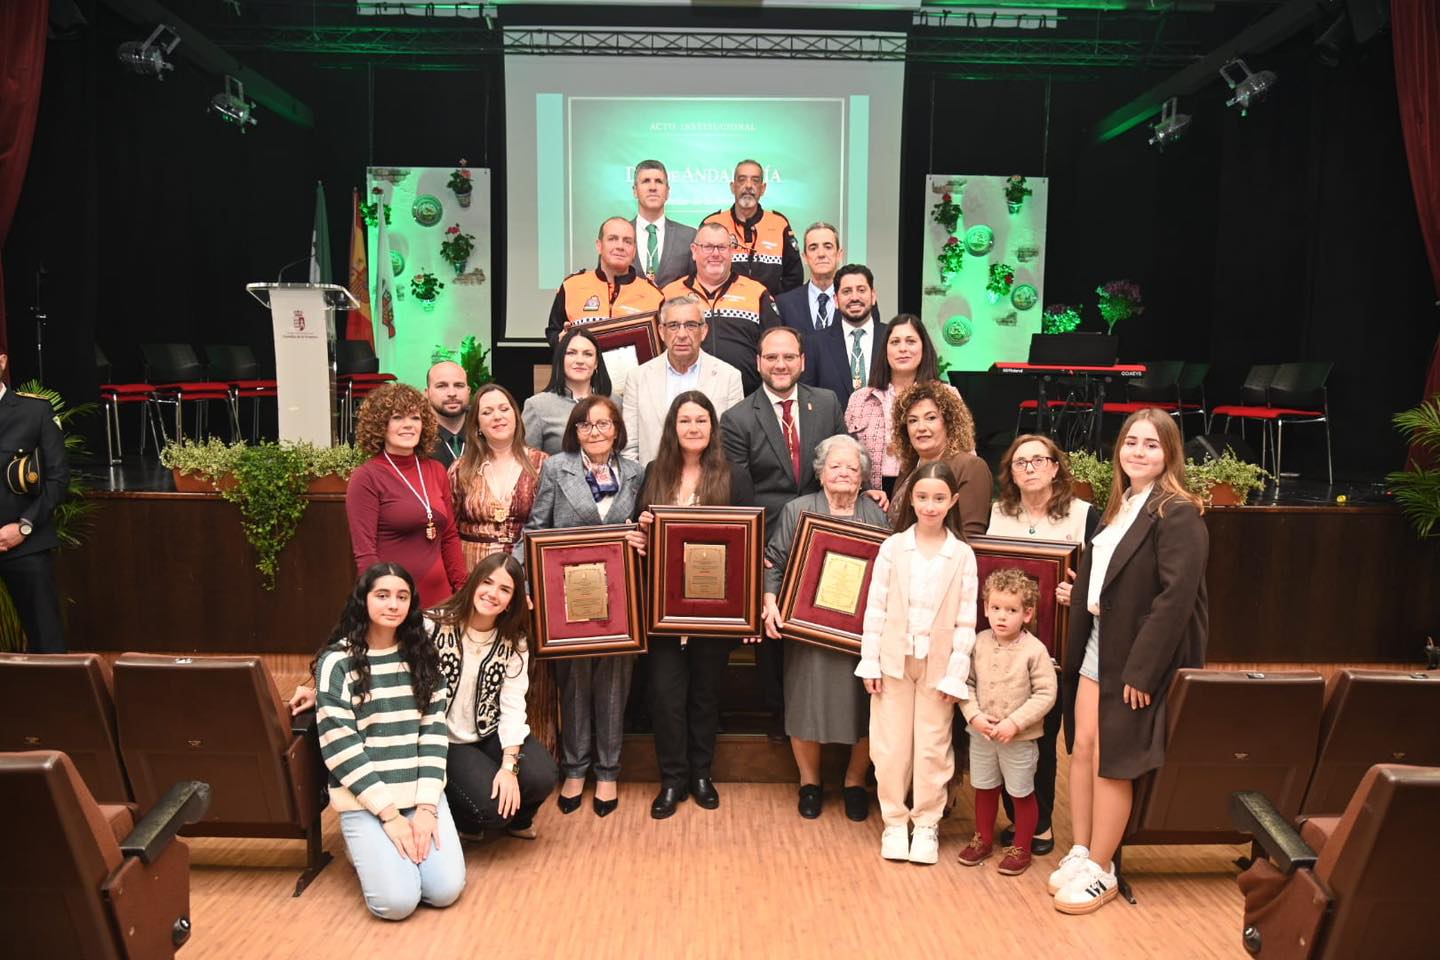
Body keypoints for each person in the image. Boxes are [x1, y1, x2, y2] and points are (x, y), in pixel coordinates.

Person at [1051, 408, 1208, 915]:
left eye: (1152, 445)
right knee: (1083, 750)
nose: (1138, 452)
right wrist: (1079, 595)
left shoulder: (1177, 511)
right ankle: (1081, 850)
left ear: (1169, 454)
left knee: (1113, 761)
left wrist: (1143, 670)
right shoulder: (1120, 505)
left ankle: (1102, 869)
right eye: (1131, 442)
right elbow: (1111, 579)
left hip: (1136, 654)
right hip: (1100, 640)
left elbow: (1175, 599)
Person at [516, 396, 645, 817]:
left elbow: (648, 531)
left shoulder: (635, 474)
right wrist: (529, 583)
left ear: (617, 430)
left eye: (603, 424)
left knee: (613, 686)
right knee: (573, 684)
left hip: (621, 601)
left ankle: (607, 772)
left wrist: (639, 541)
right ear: (574, 431)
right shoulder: (556, 468)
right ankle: (574, 769)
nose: (595, 432)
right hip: (566, 601)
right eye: (586, 425)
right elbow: (535, 530)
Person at [629, 391, 756, 819]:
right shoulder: (653, 473)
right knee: (665, 695)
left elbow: (746, 544)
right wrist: (641, 529)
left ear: (712, 428)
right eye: (685, 421)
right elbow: (638, 536)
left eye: (701, 420)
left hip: (714, 607)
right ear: (673, 427)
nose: (694, 428)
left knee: (705, 694)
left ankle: (701, 775)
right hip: (661, 607)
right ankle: (672, 779)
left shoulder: (733, 476)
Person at [313, 563, 465, 921]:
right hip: (367, 801)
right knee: (396, 905)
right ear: (363, 600)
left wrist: (427, 808)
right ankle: (362, 847)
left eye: (402, 597)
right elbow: (341, 749)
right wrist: (390, 816)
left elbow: (433, 737)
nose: (393, 604)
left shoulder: (424, 658)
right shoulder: (337, 663)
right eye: (382, 595)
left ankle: (390, 853)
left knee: (444, 891)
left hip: (418, 795)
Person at [720, 325, 846, 740]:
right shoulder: (737, 418)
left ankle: (823, 718)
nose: (780, 364)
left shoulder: (826, 404)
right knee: (772, 635)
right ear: (758, 362)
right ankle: (779, 720)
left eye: (788, 356)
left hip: (825, 538)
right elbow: (740, 495)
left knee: (820, 630)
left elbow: (840, 465)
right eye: (771, 357)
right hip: (770, 542)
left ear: (802, 361)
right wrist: (756, 549)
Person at [855, 461, 977, 865]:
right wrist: (870, 662)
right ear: (911, 498)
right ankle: (894, 821)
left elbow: (965, 619)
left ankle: (926, 823)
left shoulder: (961, 555)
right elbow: (875, 607)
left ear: (952, 502)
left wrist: (957, 674)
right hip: (893, 662)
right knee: (890, 746)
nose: (929, 505)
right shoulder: (893, 548)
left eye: (939, 498)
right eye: (922, 497)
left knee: (932, 746)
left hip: (938, 667)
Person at [985, 433, 1098, 857]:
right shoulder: (997, 513)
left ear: (1055, 467)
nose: (1029, 468)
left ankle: (1043, 824)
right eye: (1020, 462)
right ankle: (1016, 820)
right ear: (1010, 473)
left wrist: (1081, 591)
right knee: (1006, 733)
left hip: (1059, 647)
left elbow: (1103, 576)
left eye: (1038, 460)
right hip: (1007, 648)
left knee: (1042, 737)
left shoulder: (1084, 515)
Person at [762, 434, 885, 821]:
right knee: (805, 707)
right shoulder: (798, 510)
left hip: (860, 636)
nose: (844, 472)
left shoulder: (875, 514)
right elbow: (773, 563)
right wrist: (770, 603)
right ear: (820, 472)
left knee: (866, 709)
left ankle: (853, 781)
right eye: (836, 465)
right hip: (807, 632)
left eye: (853, 467)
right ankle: (809, 783)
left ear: (864, 476)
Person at [428, 553, 559, 840]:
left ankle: (518, 818)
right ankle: (467, 820)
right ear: (474, 583)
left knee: (541, 775)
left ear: (512, 600)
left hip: (490, 735)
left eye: (505, 589)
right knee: (492, 810)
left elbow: (513, 705)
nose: (492, 594)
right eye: (487, 583)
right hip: (446, 741)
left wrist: (509, 767)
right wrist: (316, 688)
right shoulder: (434, 626)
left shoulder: (514, 641)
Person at [956, 568, 1057, 877]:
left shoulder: (1035, 651)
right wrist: (973, 715)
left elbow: (1046, 693)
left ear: (1027, 614)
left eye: (1011, 611)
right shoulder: (979, 642)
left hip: (1019, 740)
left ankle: (1021, 847)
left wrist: (1014, 723)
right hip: (982, 734)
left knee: (1021, 792)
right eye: (995, 608)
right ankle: (983, 839)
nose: (1001, 616)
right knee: (984, 788)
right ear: (985, 608)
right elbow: (966, 683)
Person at [346, 382, 466, 608]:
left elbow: (449, 536)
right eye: (398, 418)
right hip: (394, 602)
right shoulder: (366, 477)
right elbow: (365, 553)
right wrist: (382, 600)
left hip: (441, 598)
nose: (408, 425)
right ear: (380, 425)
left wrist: (462, 590)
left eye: (415, 418)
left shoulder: (436, 470)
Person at [661, 222, 781, 395]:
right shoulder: (669, 293)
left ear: (732, 251)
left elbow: (775, 347)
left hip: (744, 400)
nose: (716, 254)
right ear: (694, 251)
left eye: (722, 247)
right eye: (708, 247)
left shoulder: (757, 293)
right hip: (683, 400)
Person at [0, 353, 69, 652]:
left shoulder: (34, 410)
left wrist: (24, 527)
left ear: (2, 361)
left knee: (46, 639)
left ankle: (57, 699)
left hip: (24, 541)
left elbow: (57, 479)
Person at [622, 294, 743, 464]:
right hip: (653, 484)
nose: (682, 334)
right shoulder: (638, 377)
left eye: (691, 325)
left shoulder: (729, 377)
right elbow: (629, 448)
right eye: (673, 326)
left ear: (704, 331)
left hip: (709, 484)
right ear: (661, 331)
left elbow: (732, 445)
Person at [450, 383, 546, 567]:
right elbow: (449, 532)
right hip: (473, 577)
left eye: (504, 409)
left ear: (516, 416)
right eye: (487, 412)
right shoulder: (460, 469)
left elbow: (550, 527)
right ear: (477, 424)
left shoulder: (542, 465)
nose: (497, 417)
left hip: (526, 572)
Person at [846, 314, 943, 496]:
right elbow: (846, 456)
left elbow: (965, 454)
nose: (903, 349)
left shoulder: (945, 395)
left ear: (924, 348)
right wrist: (863, 492)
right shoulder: (860, 399)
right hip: (870, 498)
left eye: (911, 341)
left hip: (926, 499)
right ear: (885, 350)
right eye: (895, 342)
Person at [888, 381, 992, 538]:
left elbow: (970, 537)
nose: (921, 427)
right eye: (913, 420)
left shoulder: (970, 467)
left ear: (949, 422)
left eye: (930, 418)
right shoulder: (907, 469)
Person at [545, 217, 663, 349]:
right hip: (584, 368)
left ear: (634, 250)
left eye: (627, 241)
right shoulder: (571, 286)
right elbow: (553, 331)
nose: (620, 246)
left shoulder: (654, 295)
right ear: (599, 246)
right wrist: (560, 341)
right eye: (612, 239)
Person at [700, 159, 804, 296]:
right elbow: (698, 272)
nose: (748, 186)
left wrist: (773, 305)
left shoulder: (779, 224)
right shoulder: (712, 223)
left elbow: (794, 278)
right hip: (723, 312)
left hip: (769, 313)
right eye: (742, 180)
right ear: (733, 187)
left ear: (763, 188)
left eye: (755, 181)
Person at [801, 264, 887, 408]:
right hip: (832, 429)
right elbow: (807, 396)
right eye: (846, 291)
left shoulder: (891, 337)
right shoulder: (815, 343)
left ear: (873, 296)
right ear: (835, 300)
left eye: (861, 290)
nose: (854, 297)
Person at [523, 327, 615, 455]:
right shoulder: (537, 406)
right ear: (560, 360)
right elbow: (529, 464)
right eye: (571, 353)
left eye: (588, 354)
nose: (580, 361)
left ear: (596, 363)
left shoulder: (615, 402)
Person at [633, 159, 697, 288]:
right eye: (646, 181)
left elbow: (696, 285)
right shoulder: (618, 235)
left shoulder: (689, 236)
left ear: (667, 192)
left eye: (659, 181)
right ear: (635, 191)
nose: (652, 187)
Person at [776, 222, 842, 335]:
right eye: (813, 248)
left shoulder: (855, 300)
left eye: (828, 247)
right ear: (805, 257)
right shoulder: (784, 304)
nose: (821, 254)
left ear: (839, 255)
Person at [425, 360, 471, 468]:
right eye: (441, 386)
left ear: (468, 391)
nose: (452, 393)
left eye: (459, 385)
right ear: (427, 393)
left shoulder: (484, 429)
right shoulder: (417, 436)